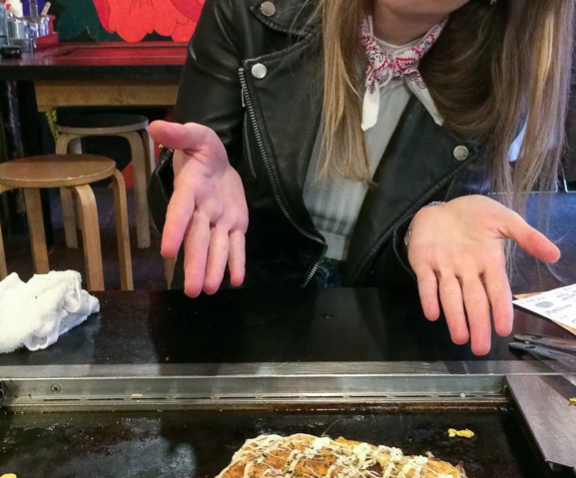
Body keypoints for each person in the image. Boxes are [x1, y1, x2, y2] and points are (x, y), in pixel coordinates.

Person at [149, 0, 574, 355]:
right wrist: (186, 182)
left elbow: (435, 252)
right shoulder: (251, 8)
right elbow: (194, 182)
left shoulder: (508, 55)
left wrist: (430, 221)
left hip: (395, 331)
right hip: (240, 315)